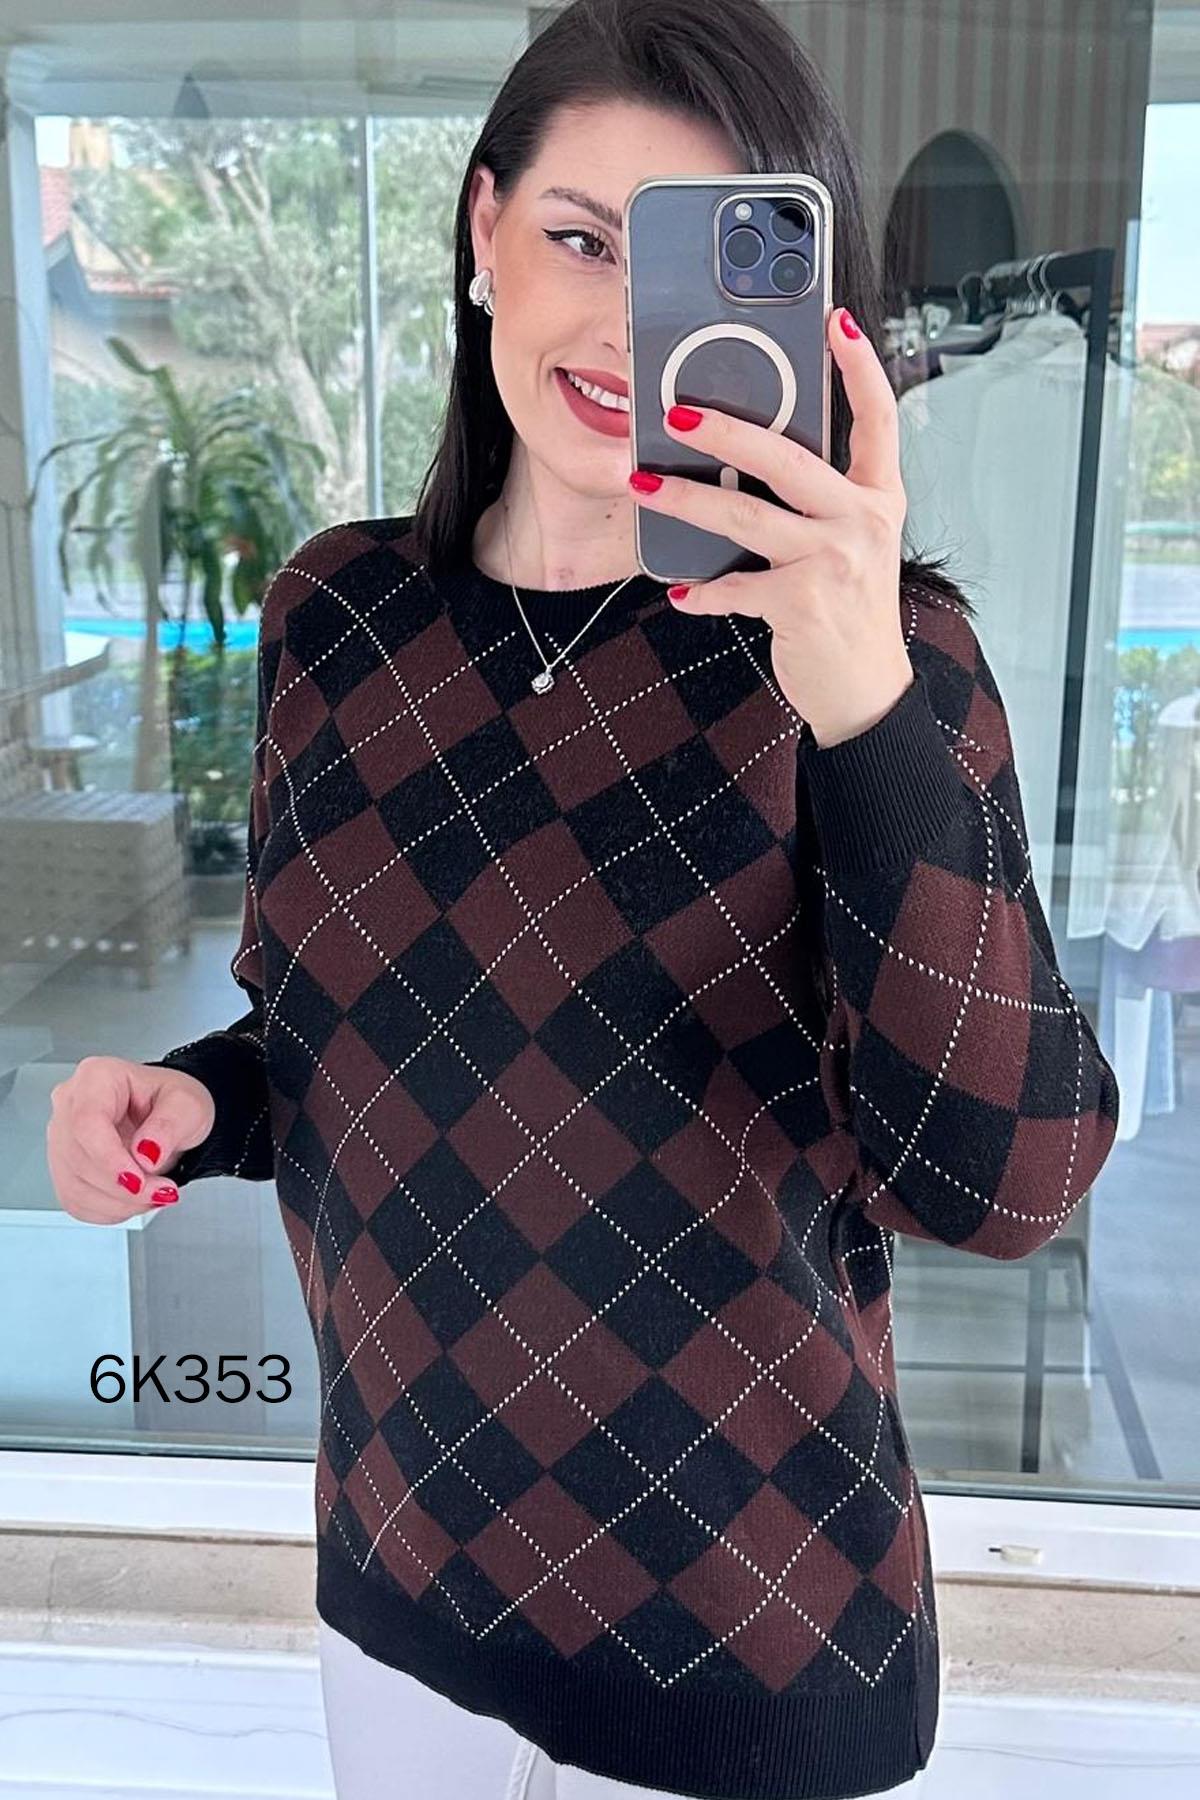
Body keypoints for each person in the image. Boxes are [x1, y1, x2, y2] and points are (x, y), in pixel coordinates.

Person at [45, 1, 1120, 1796]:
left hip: (749, 1647)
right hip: (399, 1595)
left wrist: (865, 706)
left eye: (681, 268)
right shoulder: (334, 620)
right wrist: (193, 1103)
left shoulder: (875, 659)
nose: (625, 327)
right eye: (580, 238)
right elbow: (326, 1038)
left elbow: (1006, 1183)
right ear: (484, 230)